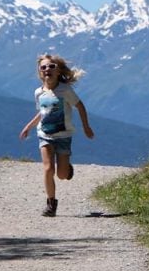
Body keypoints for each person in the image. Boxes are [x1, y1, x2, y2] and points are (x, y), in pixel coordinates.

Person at [19, 54, 94, 217]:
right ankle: (51, 203)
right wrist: (28, 127)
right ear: (40, 72)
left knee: (61, 175)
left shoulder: (65, 90)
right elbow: (42, 113)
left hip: (64, 136)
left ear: (58, 70)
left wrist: (86, 127)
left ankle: (67, 170)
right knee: (48, 168)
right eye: (43, 67)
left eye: (51, 66)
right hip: (45, 135)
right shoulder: (38, 92)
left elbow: (80, 107)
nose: (47, 70)